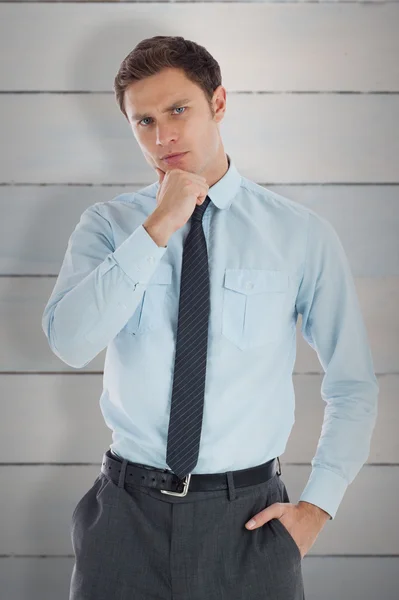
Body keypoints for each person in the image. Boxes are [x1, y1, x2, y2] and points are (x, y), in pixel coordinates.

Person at [41, 35, 379, 600]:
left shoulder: (299, 234)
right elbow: (70, 343)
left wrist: (318, 508)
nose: (162, 135)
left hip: (250, 524)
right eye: (143, 120)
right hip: (125, 520)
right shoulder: (107, 227)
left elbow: (353, 384)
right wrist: (157, 228)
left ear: (218, 103)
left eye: (178, 110)